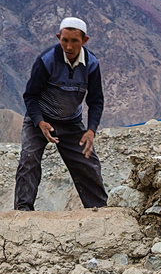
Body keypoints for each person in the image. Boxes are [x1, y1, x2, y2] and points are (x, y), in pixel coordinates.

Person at [14, 16, 107, 212]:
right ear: (58, 37)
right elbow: (30, 95)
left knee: (88, 163)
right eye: (64, 40)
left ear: (85, 41)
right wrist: (40, 123)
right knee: (29, 159)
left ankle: (99, 210)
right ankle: (22, 212)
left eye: (75, 41)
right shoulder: (47, 60)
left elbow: (96, 100)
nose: (69, 46)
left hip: (71, 122)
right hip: (40, 120)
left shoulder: (91, 64)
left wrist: (91, 130)